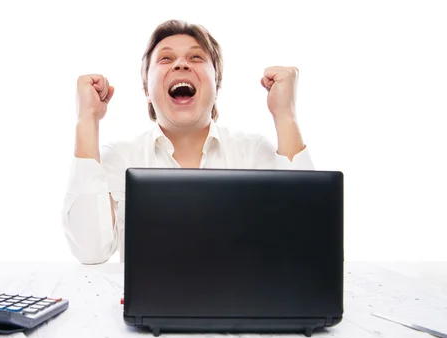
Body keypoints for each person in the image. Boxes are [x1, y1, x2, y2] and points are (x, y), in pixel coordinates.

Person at [62, 19, 314, 264]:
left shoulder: (253, 151)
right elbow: (90, 250)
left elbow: (305, 241)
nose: (181, 64)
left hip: (238, 305)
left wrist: (285, 114)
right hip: (149, 306)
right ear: (147, 91)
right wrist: (87, 119)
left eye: (196, 57)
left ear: (217, 84)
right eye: (166, 58)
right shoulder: (120, 157)